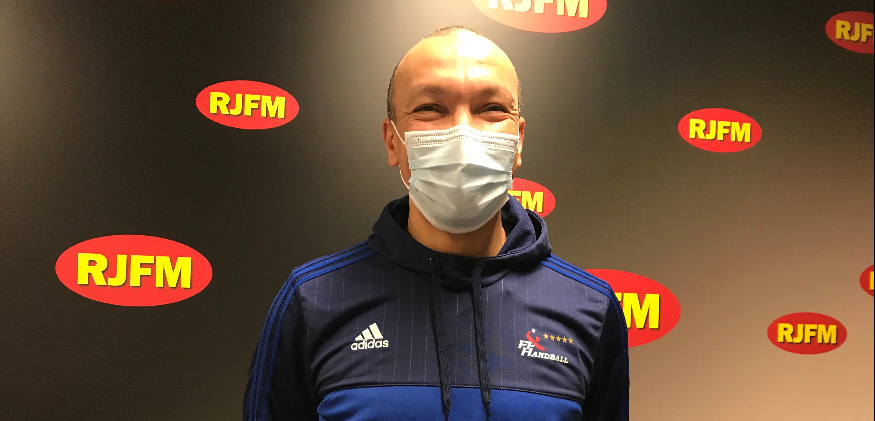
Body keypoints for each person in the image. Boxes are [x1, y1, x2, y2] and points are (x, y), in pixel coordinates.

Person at [243, 26, 629, 421]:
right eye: (430, 109)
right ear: (392, 141)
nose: (463, 133)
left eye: (492, 108)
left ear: (518, 141)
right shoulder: (314, 302)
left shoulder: (589, 308)